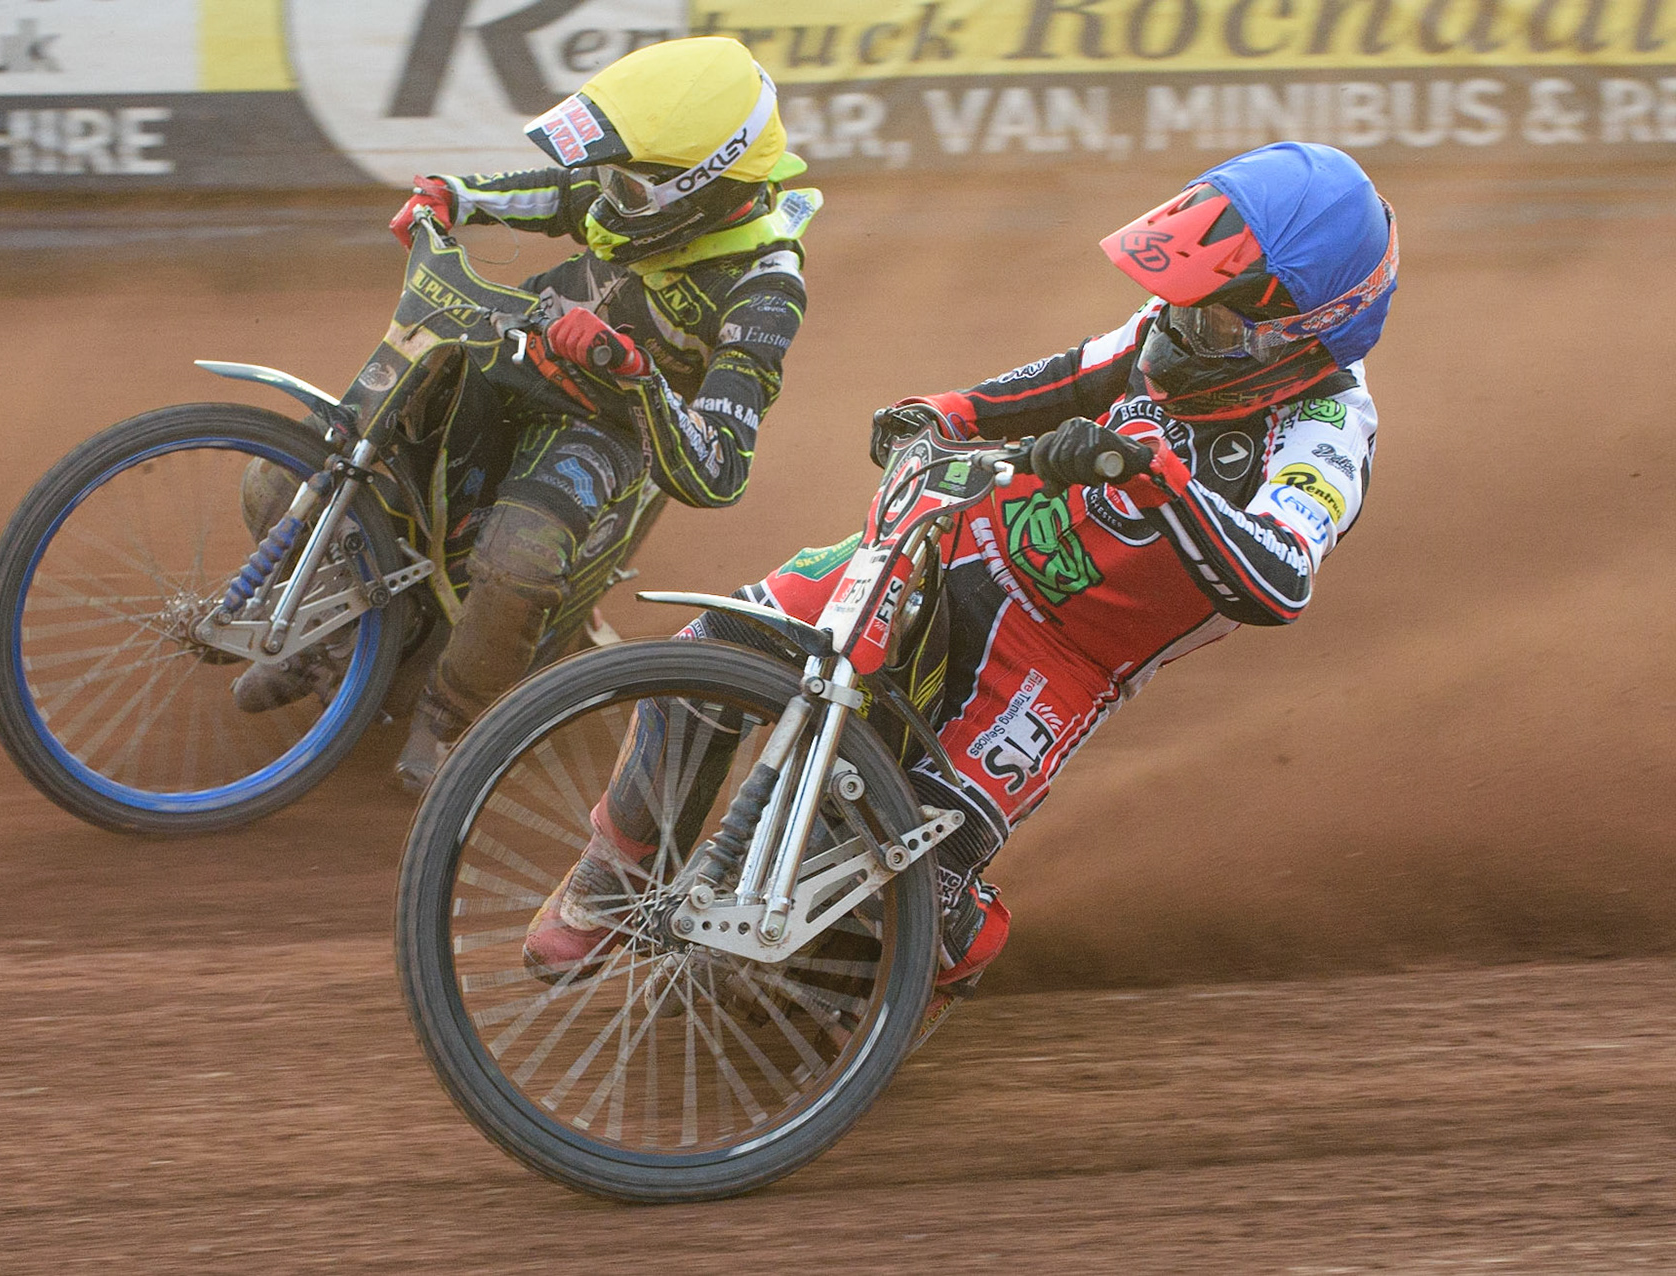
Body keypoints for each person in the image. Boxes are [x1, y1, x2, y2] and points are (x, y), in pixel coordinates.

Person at [519, 142, 1397, 1033]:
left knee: (906, 870)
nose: (1175, 325)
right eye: (1178, 298)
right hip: (958, 539)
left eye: (1209, 318)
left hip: (1058, 660)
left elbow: (1282, 577)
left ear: (1298, 332)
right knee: (709, 655)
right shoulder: (1171, 324)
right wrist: (945, 413)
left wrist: (1159, 475)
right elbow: (1061, 378)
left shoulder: (1326, 427)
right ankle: (615, 869)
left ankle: (929, 974)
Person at [233, 36, 821, 791]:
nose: (609, 202)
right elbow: (563, 195)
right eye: (608, 179)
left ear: (703, 191)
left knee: (520, 555)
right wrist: (457, 194)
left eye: (630, 192)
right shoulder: (637, 195)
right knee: (301, 462)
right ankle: (334, 636)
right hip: (519, 344)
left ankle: (455, 717)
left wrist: (636, 372)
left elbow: (718, 467)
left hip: (607, 425)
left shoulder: (765, 290)